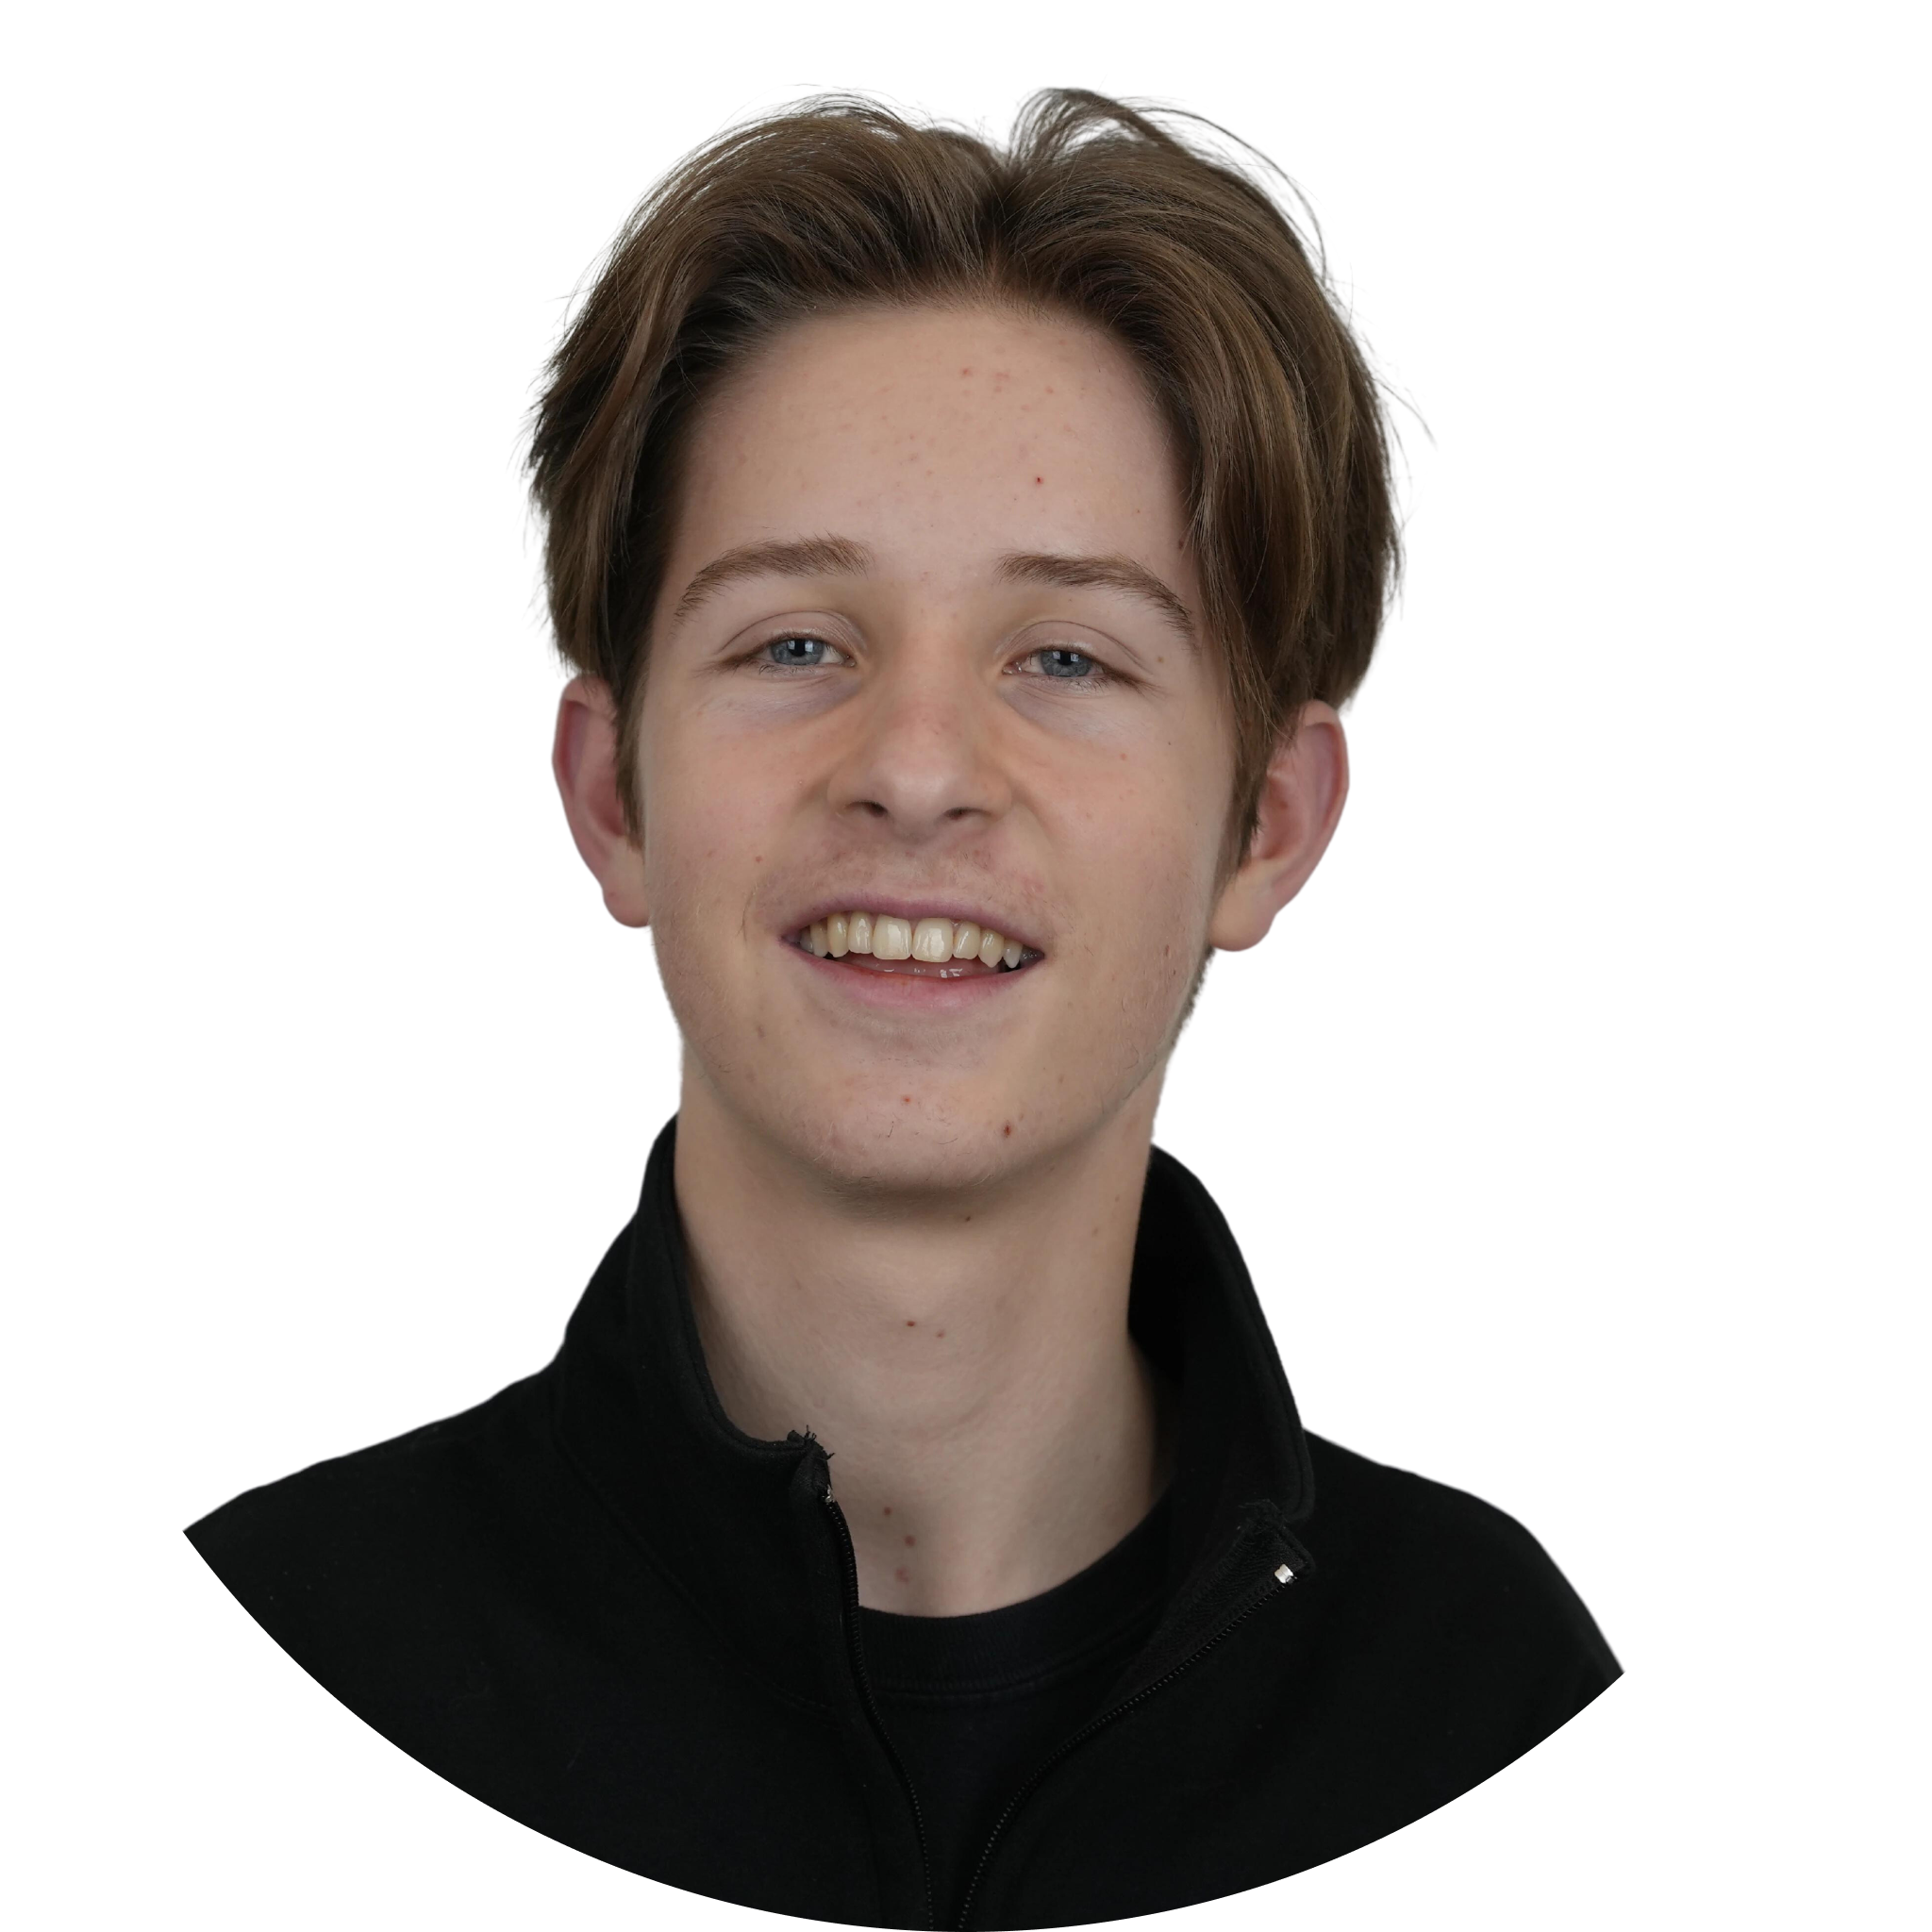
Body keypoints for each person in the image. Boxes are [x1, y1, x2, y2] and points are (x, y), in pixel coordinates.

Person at [190, 90, 1618, 1925]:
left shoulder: (1478, 1696)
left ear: (1265, 825)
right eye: (795, 641)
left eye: (1067, 655)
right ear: (614, 794)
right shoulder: (301, 1633)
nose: (920, 767)